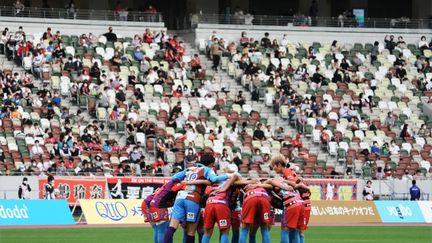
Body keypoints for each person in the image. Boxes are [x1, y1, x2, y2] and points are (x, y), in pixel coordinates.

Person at [163, 153, 231, 243]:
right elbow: (214, 179)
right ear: (211, 164)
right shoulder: (207, 169)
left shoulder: (190, 168)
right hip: (192, 198)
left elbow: (175, 177)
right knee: (191, 231)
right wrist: (228, 176)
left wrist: (187, 181)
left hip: (180, 197)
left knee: (172, 227)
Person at [201, 174, 240, 243]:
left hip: (209, 204)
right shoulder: (228, 181)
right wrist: (225, 187)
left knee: (207, 232)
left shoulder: (211, 184)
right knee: (224, 232)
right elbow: (236, 176)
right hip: (221, 203)